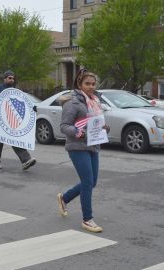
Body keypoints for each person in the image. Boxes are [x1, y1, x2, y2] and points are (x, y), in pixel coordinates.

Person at [56, 69, 110, 233]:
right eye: (87, 84)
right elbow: (64, 126)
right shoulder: (73, 103)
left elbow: (94, 124)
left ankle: (64, 198)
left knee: (92, 182)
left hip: (94, 145)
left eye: (93, 84)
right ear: (79, 84)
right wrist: (79, 133)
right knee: (87, 182)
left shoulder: (95, 102)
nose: (91, 87)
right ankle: (87, 219)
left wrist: (104, 128)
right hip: (77, 147)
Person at [0, 70, 36, 170]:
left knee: (15, 139)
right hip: (0, 120)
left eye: (13, 78)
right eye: (9, 78)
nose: (12, 80)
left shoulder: (15, 90)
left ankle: (26, 160)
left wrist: (32, 108)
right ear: (4, 79)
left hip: (11, 120)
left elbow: (23, 104)